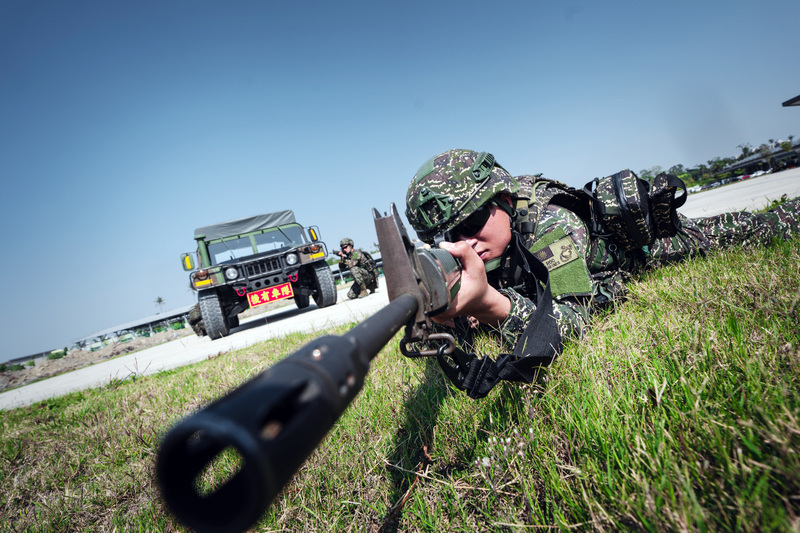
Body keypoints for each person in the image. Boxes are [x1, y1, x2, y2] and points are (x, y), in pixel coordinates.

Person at [404, 149, 800, 398]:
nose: (465, 242)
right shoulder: (485, 247)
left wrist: (490, 304)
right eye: (451, 235)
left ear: (505, 201)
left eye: (472, 222)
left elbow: (572, 319)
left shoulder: (549, 227)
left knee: (749, 228)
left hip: (640, 251)